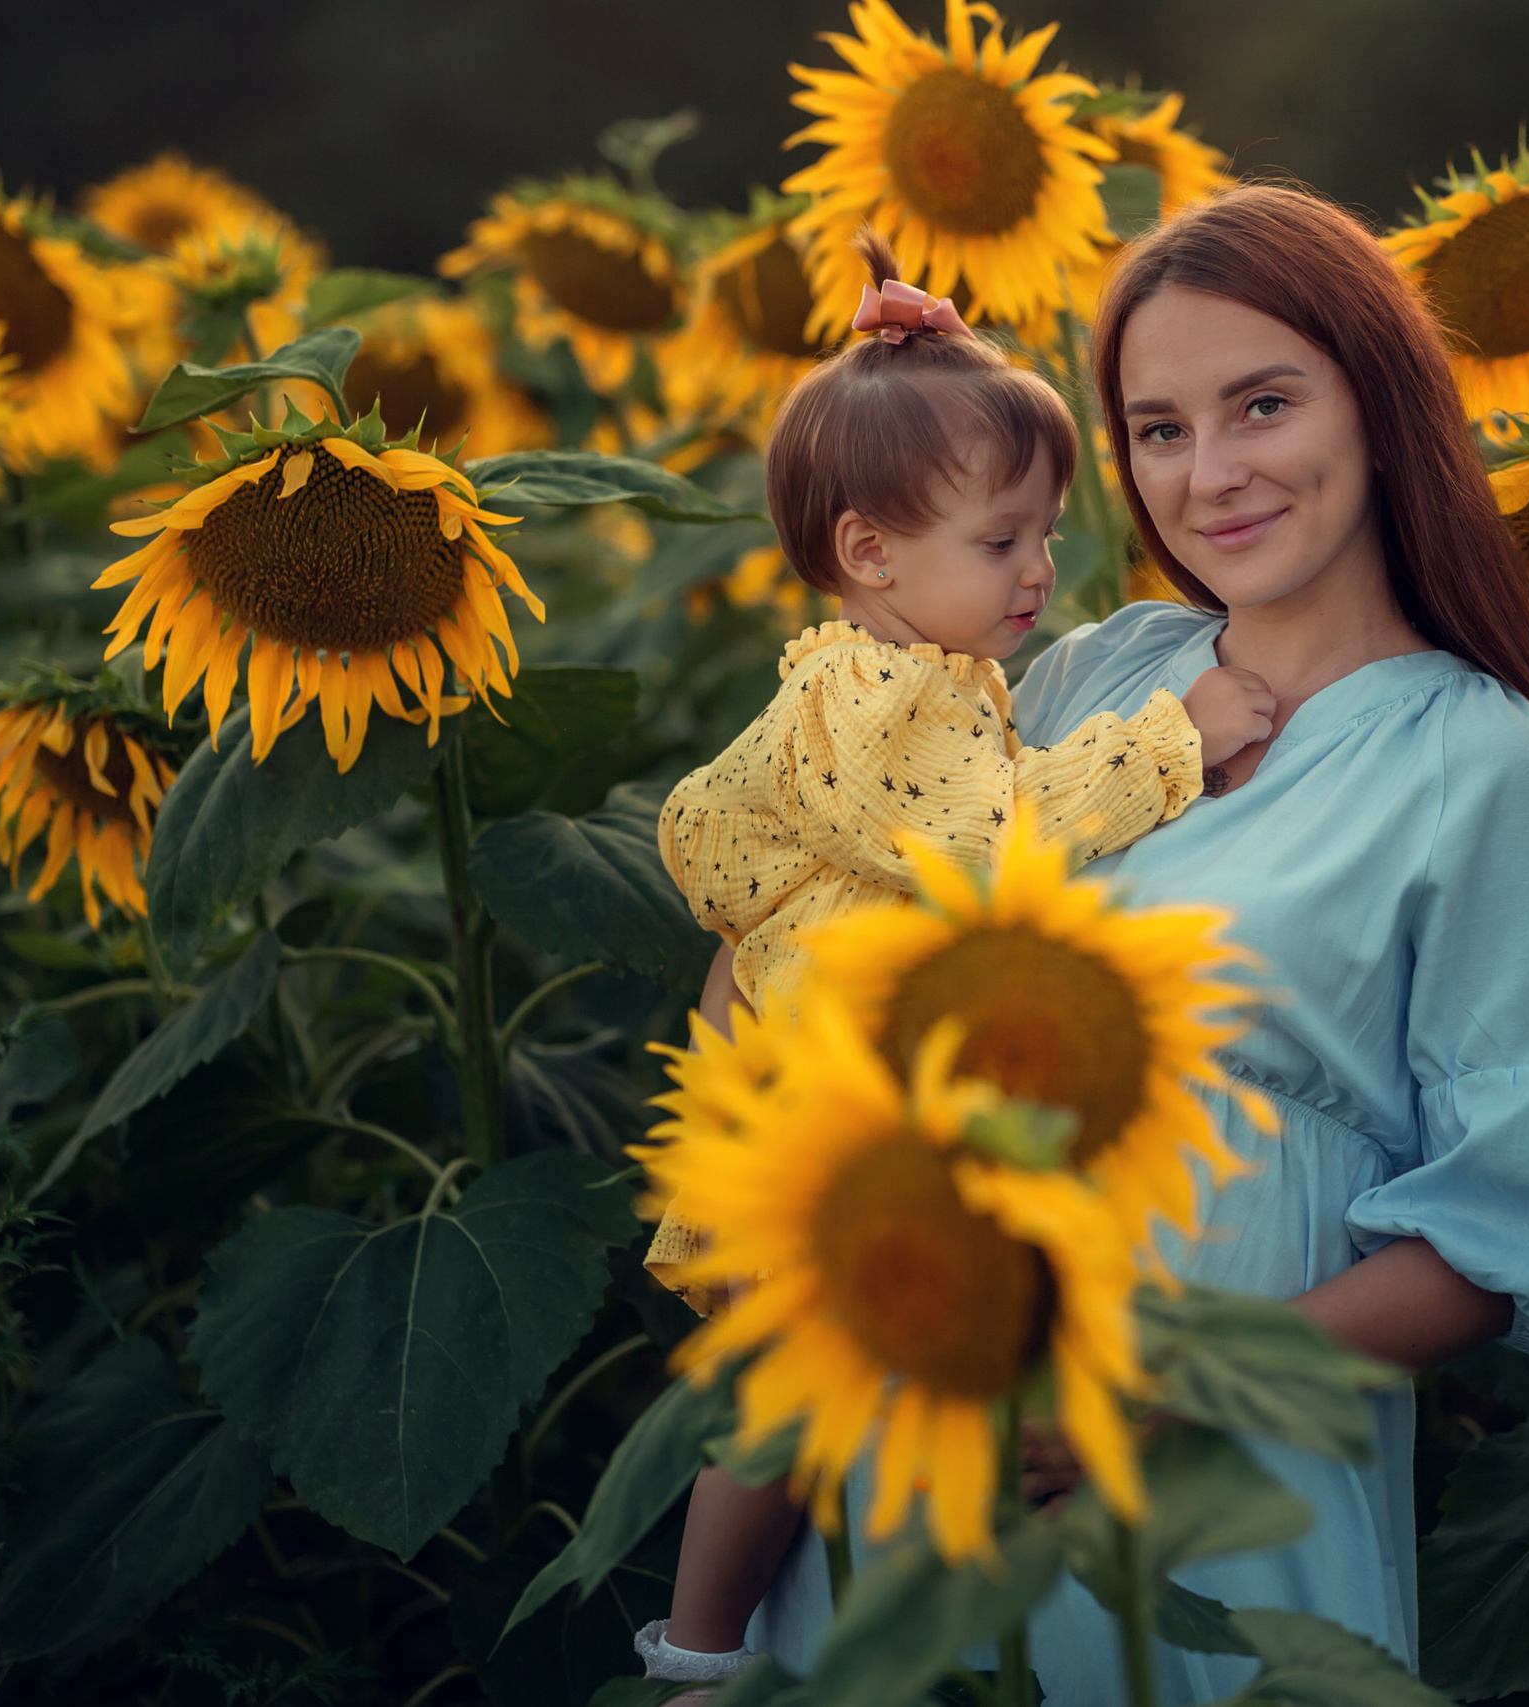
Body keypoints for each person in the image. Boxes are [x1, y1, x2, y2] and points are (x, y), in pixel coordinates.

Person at [737, 182, 1529, 1703]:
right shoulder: (1086, 677)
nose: (1209, 475)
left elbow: (1510, 1233)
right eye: (1159, 428)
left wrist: (1156, 1391)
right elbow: (817, 888)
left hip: (1213, 1490)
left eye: (1262, 404)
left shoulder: (1484, 769)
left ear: (1383, 403)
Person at [630, 230, 1277, 1699]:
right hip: (831, 1133)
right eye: (1003, 543)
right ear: (871, 554)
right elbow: (992, 847)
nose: (1043, 572)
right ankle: (700, 1657)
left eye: (1046, 535)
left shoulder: (918, 678)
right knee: (783, 1414)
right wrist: (1172, 740)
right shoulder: (875, 699)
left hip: (853, 1106)